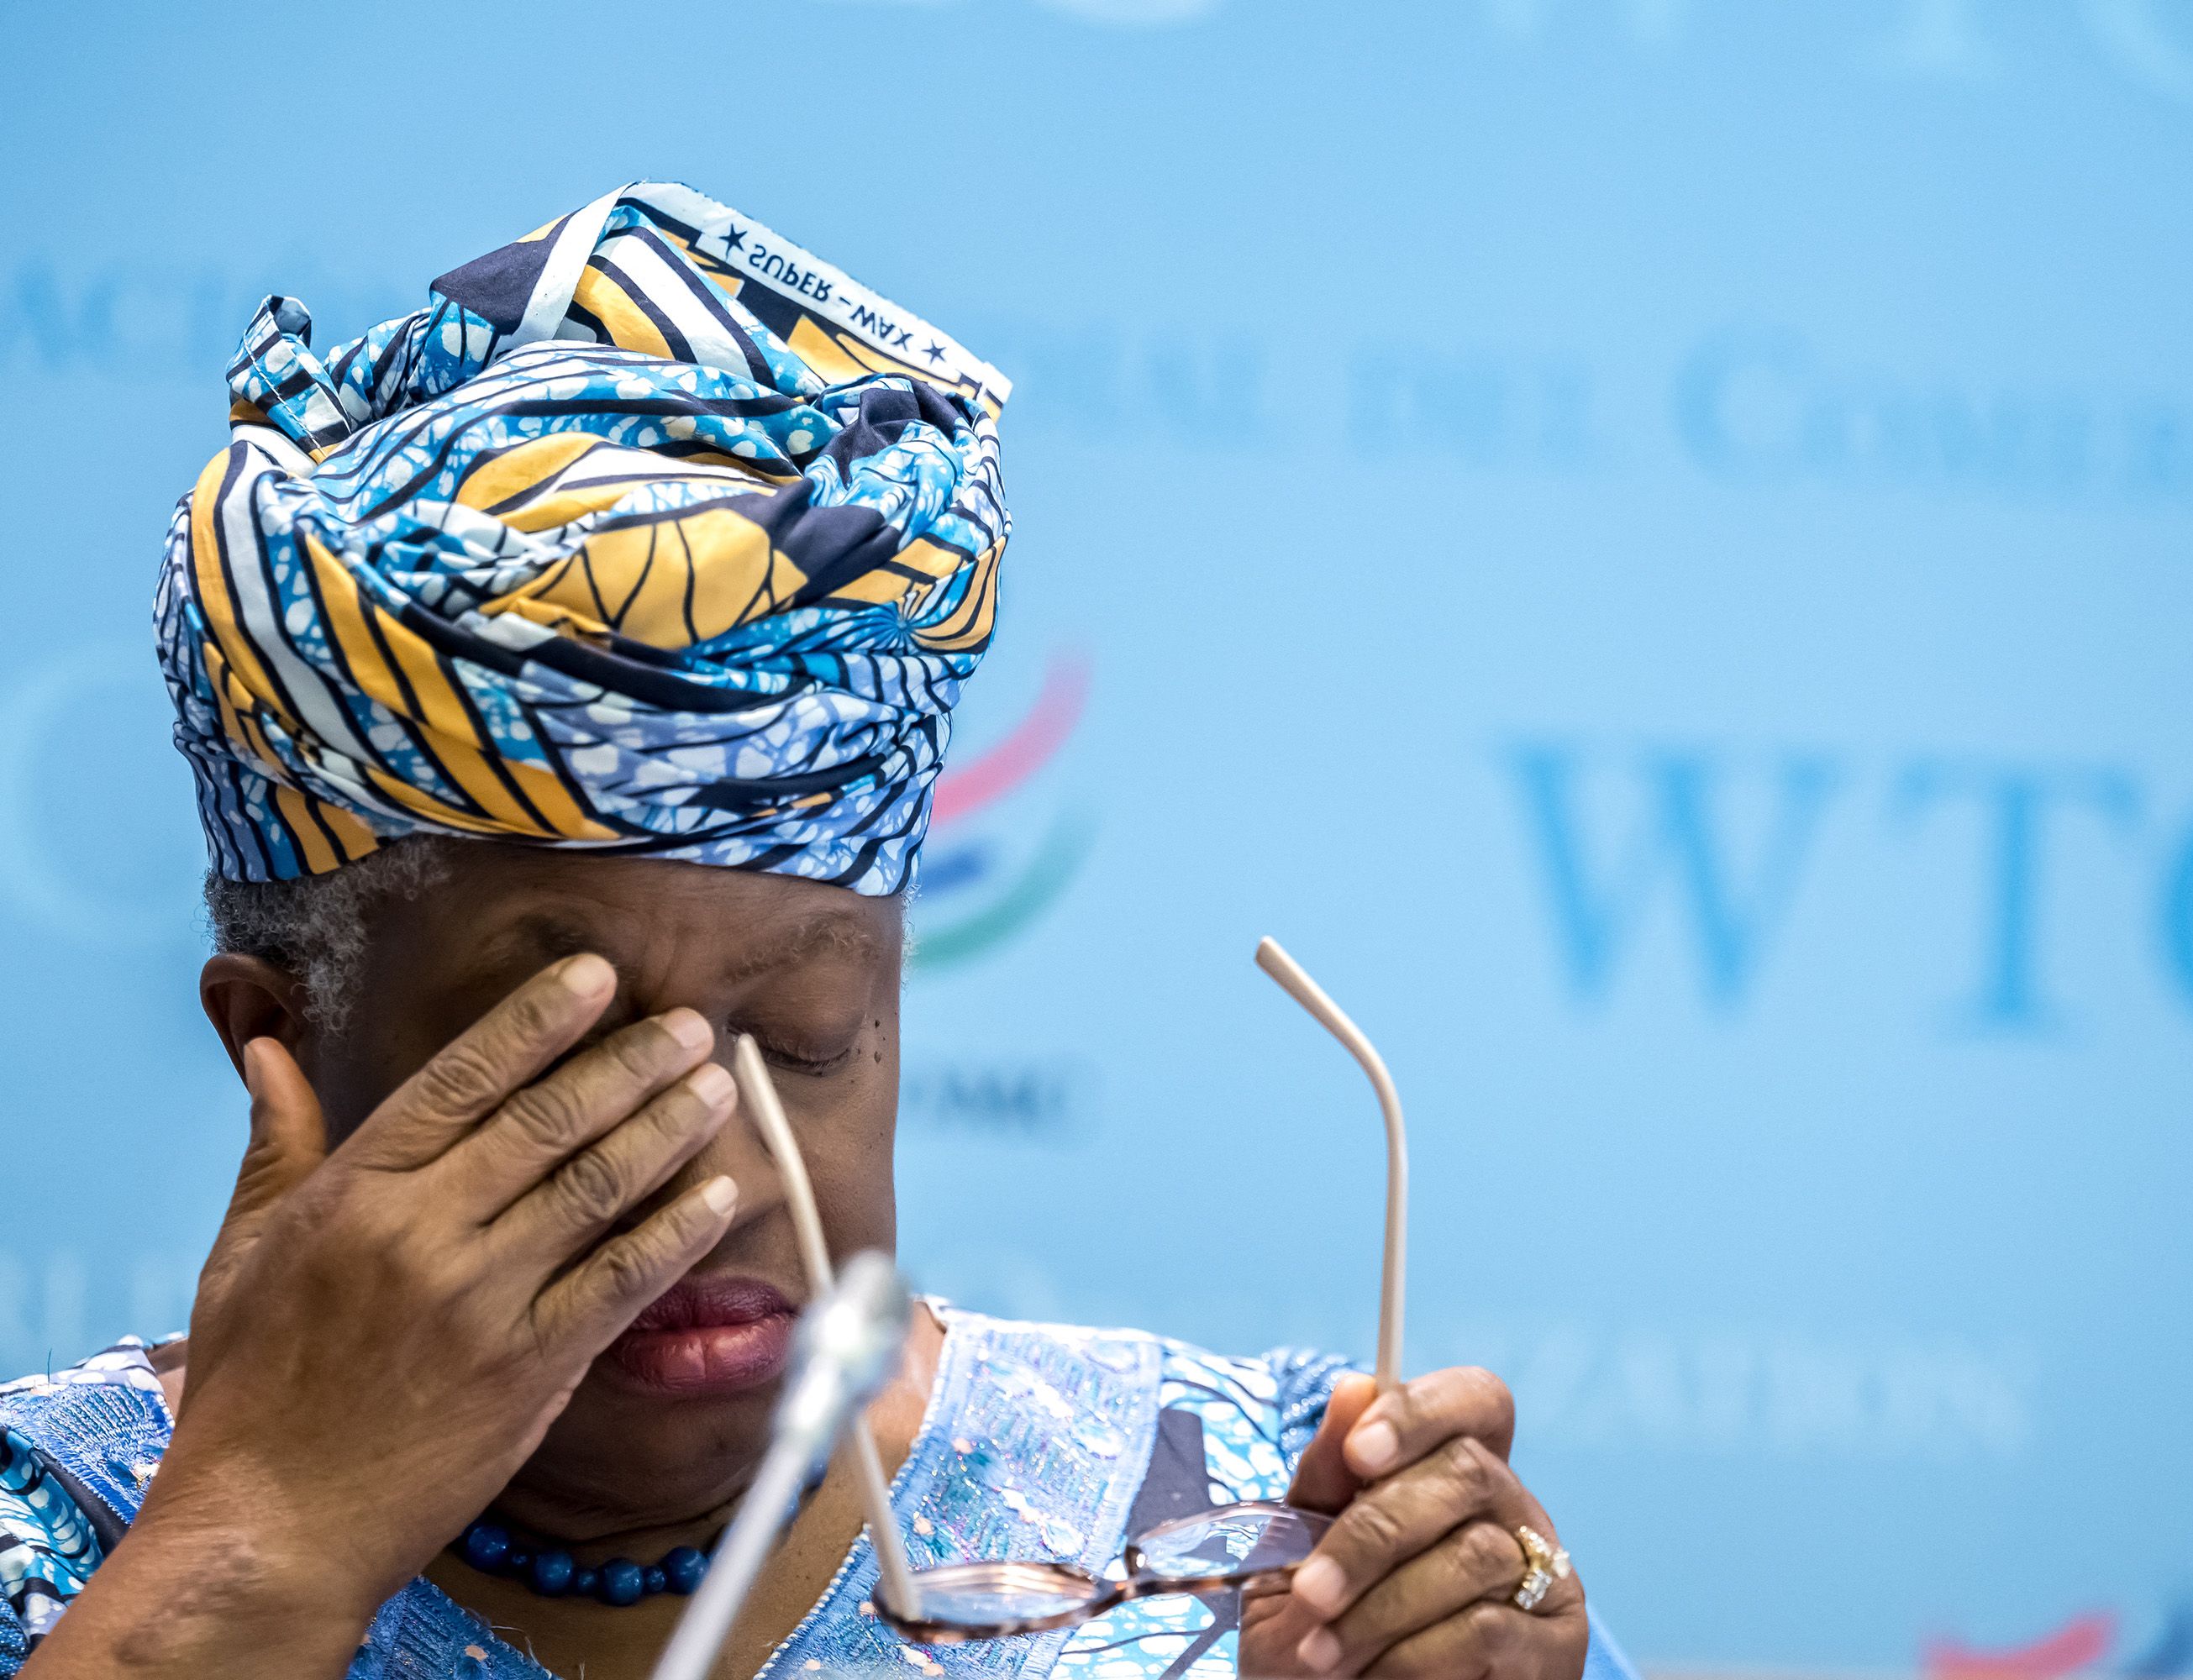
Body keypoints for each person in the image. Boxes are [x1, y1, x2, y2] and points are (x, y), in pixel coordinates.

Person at [0, 183, 1623, 1680]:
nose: (723, 1178)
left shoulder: (1254, 1524)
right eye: (574, 1064)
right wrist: (248, 1558)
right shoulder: (56, 1548)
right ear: (274, 1041)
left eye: (803, 1040)